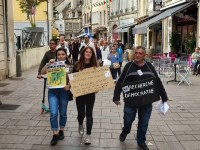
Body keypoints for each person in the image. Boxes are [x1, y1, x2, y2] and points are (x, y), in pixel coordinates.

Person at [113, 46, 168, 150]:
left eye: (140, 53)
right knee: (128, 121)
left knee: (144, 122)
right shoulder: (129, 66)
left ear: (145, 55)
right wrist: (116, 97)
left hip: (146, 102)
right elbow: (120, 82)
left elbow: (157, 82)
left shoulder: (149, 67)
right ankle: (125, 131)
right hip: (131, 101)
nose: (137, 55)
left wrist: (164, 96)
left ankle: (141, 142)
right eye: (136, 53)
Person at [41, 48, 72, 146]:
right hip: (53, 92)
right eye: (59, 54)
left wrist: (69, 85)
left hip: (64, 91)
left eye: (63, 54)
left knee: (62, 113)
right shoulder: (52, 64)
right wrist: (48, 64)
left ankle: (61, 130)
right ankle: (55, 134)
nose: (61, 56)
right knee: (53, 112)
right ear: (56, 56)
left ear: (66, 55)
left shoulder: (69, 66)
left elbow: (73, 78)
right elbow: (42, 72)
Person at [73, 46, 98, 145]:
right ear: (83, 53)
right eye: (86, 52)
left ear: (92, 55)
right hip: (80, 93)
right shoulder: (77, 65)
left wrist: (97, 87)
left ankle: (88, 135)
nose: (88, 53)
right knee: (81, 114)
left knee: (89, 114)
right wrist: (72, 87)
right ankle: (80, 124)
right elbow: (73, 79)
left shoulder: (95, 66)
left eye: (90, 52)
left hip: (90, 94)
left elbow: (98, 80)